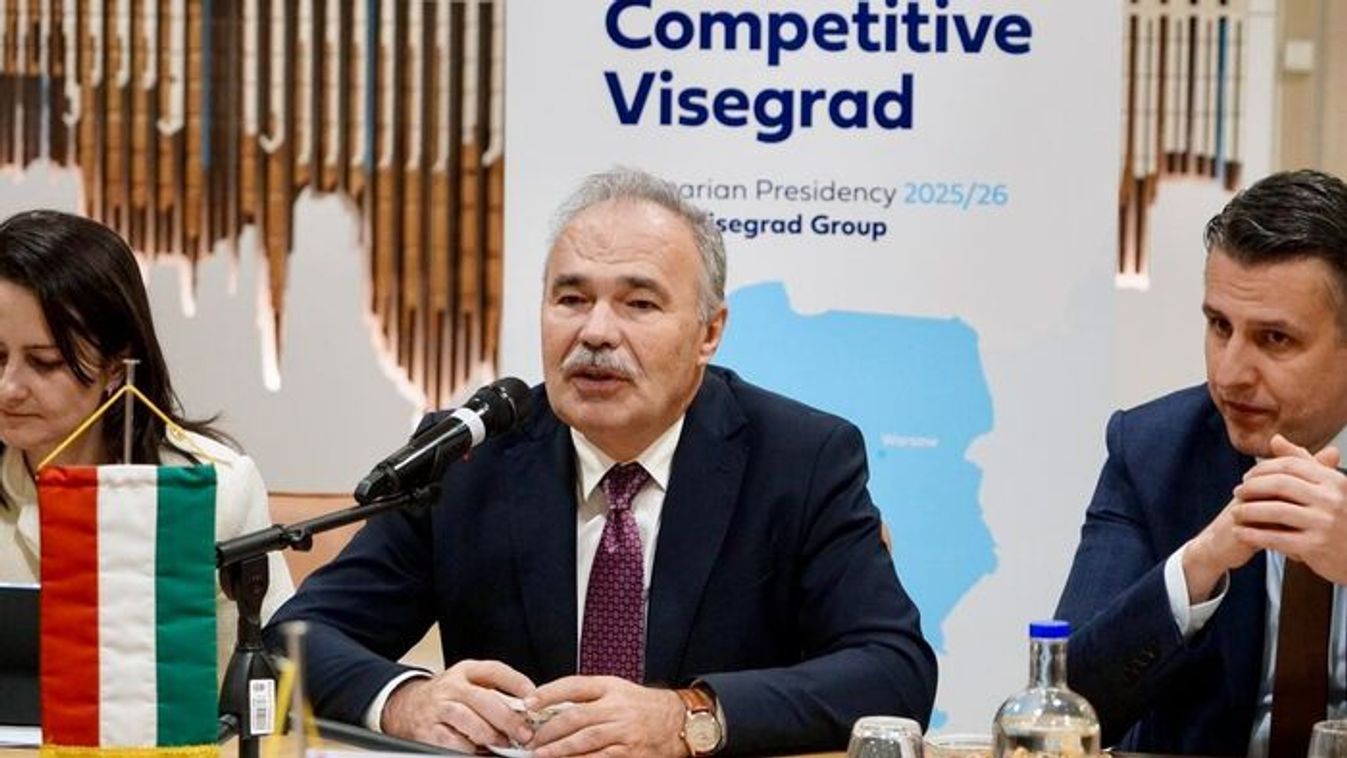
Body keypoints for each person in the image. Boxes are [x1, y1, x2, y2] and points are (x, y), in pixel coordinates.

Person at [268, 167, 936, 756]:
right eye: (571, 299)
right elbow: (292, 639)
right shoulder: (472, 459)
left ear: (708, 332)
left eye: (639, 303)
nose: (594, 332)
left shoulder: (800, 458)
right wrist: (406, 701)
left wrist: (688, 717)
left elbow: (893, 670)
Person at [1056, 169, 1347, 755]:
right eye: (1219, 326)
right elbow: (1064, 708)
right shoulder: (1154, 451)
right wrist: (1198, 565)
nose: (1230, 373)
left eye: (1275, 339)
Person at [0, 209, 293, 675]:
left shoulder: (214, 490)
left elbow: (270, 683)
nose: (9, 388)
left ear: (117, 367)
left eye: (45, 362)